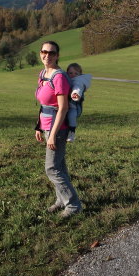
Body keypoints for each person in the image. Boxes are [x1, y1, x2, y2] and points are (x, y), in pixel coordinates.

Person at [35, 41, 82, 218]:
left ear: (57, 55)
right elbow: (44, 103)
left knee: (52, 169)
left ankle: (73, 205)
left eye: (52, 53)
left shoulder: (59, 77)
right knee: (59, 167)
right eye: (44, 52)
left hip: (58, 128)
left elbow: (62, 108)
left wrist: (53, 135)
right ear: (40, 53)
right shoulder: (43, 74)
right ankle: (61, 200)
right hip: (46, 125)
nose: (47, 55)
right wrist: (38, 126)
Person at [66, 63, 92, 142]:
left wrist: (75, 94)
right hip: (67, 103)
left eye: (75, 73)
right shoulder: (68, 79)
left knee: (71, 115)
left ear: (79, 74)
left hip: (74, 106)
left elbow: (77, 88)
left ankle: (72, 132)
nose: (73, 75)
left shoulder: (78, 81)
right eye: (70, 73)